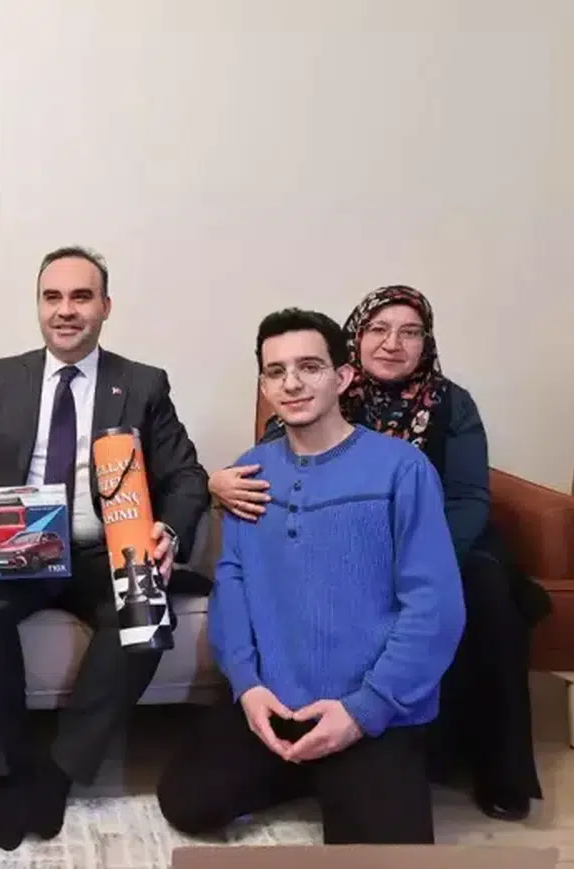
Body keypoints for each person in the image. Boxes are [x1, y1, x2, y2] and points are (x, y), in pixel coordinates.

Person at [209, 285, 545, 820]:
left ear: (338, 375)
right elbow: (242, 558)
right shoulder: (274, 443)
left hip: (448, 541)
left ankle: (492, 771)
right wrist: (217, 484)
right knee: (192, 799)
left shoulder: (443, 412)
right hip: (313, 630)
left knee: (483, 601)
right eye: (380, 330)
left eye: (410, 332)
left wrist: (416, 552)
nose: (393, 343)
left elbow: (467, 498)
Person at [158, 307, 465, 844]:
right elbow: (234, 583)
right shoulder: (250, 473)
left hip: (369, 711)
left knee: (384, 854)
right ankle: (305, 769)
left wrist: (363, 710)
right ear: (264, 386)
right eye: (276, 371)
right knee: (186, 802)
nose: (292, 383)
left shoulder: (402, 469)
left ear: (342, 377)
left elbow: (435, 606)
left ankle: (341, 769)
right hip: (276, 701)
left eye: (309, 367)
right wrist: (248, 688)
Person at [0, 246, 210, 851]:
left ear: (105, 307)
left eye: (81, 297)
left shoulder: (142, 383)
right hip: (22, 549)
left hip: (103, 551)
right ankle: (13, 769)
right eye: (52, 297)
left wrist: (169, 531)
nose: (65, 310)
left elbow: (187, 476)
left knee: (144, 613)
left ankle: (57, 772)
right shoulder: (2, 377)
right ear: (38, 305)